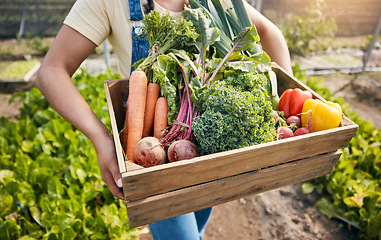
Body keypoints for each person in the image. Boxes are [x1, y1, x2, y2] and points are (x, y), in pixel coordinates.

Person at [36, 0, 293, 239]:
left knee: (198, 223)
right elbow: (51, 70)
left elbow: (269, 33)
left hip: (207, 146)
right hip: (154, 161)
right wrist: (100, 137)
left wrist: (283, 100)